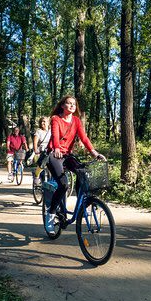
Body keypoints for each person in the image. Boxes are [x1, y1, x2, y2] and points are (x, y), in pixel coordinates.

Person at [45, 96, 106, 235]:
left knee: (83, 172)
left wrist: (94, 153)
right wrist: (57, 148)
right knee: (63, 185)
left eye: (74, 104)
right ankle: (51, 214)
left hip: (67, 155)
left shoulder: (76, 121)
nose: (72, 106)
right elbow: (55, 135)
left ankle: (82, 203)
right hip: (54, 154)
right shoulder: (56, 119)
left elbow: (84, 138)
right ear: (62, 106)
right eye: (69, 103)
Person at [32, 116, 51, 186]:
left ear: (48, 123)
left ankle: (50, 184)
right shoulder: (38, 131)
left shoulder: (51, 131)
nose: (43, 123)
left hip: (50, 150)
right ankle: (37, 175)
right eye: (41, 121)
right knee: (42, 166)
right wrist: (36, 150)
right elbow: (35, 142)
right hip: (42, 151)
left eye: (44, 121)